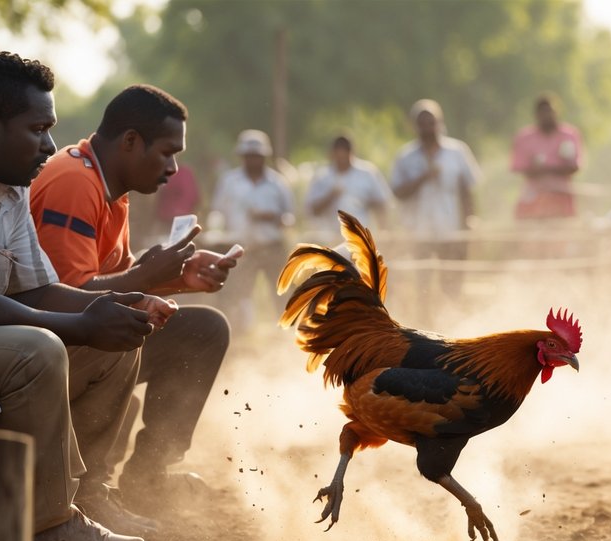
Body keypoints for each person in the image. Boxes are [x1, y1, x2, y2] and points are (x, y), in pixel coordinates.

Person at [0, 51, 157, 541]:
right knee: (39, 348)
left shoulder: (9, 183)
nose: (49, 145)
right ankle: (49, 522)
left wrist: (109, 303)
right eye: (39, 129)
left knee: (116, 343)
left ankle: (78, 497)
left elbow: (38, 288)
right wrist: (79, 323)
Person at [29, 84, 234, 517]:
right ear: (129, 142)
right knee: (121, 331)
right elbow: (67, 302)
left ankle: (150, 477)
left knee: (204, 330)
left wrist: (179, 277)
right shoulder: (74, 182)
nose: (174, 168)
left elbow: (111, 281)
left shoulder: (108, 188)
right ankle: (89, 494)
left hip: (75, 334)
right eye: (166, 153)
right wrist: (146, 277)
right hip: (44, 348)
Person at [391, 99, 480, 300]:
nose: (427, 128)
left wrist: (470, 220)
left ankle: (453, 322)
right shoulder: (406, 157)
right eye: (422, 124)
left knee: (452, 283)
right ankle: (425, 324)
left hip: (451, 229)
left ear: (439, 123)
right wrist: (423, 177)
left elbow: (467, 189)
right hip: (419, 232)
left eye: (431, 123)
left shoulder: (457, 152)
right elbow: (397, 192)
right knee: (423, 285)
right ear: (415, 126)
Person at [209, 128, 293, 330]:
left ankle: (286, 333)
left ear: (264, 157)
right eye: (249, 156)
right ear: (242, 157)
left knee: (281, 292)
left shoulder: (277, 183)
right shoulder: (229, 182)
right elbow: (217, 212)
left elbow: (290, 217)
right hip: (240, 248)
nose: (253, 160)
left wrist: (273, 217)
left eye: (257, 156)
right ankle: (241, 332)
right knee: (238, 292)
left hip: (271, 245)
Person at [509, 93, 581, 221]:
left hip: (562, 199)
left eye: (550, 112)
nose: (547, 116)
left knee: (562, 236)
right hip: (533, 199)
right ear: (537, 114)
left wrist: (546, 169)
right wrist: (550, 170)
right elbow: (521, 168)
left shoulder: (569, 135)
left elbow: (574, 167)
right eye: (543, 112)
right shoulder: (525, 137)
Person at [306, 134, 390, 239]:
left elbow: (381, 204)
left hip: (360, 237)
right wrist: (330, 196)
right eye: (338, 151)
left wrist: (383, 230)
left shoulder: (367, 173)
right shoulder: (322, 176)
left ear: (352, 151)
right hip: (330, 238)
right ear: (332, 153)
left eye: (345, 150)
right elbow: (312, 210)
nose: (342, 155)